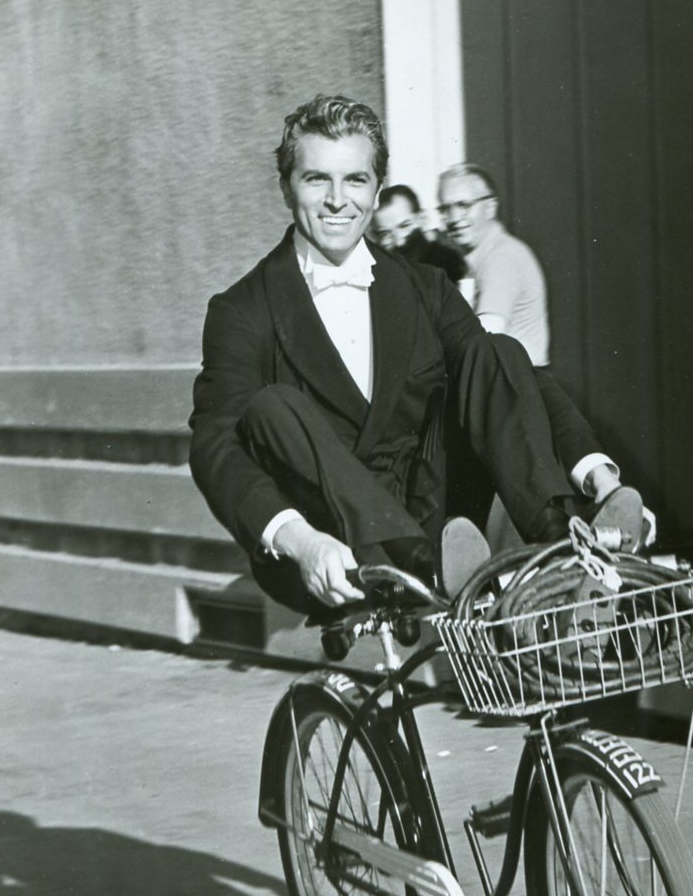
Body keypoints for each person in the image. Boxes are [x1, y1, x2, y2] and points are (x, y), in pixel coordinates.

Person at [189, 95, 643, 614]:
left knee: (495, 349)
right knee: (273, 406)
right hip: (333, 539)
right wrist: (301, 541)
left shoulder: (426, 286)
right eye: (316, 179)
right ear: (286, 187)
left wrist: (599, 477)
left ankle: (562, 550)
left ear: (376, 188)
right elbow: (215, 446)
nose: (337, 200)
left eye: (355, 180)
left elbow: (517, 379)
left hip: (444, 526)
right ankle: (429, 570)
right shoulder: (242, 310)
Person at [437, 163, 549, 366]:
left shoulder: (501, 257)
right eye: (445, 208)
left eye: (464, 205)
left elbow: (484, 342)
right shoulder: (476, 258)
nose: (454, 218)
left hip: (515, 381)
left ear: (490, 207)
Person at [372, 184, 466, 285]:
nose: (399, 242)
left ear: (423, 219)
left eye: (405, 226)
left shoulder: (449, 263)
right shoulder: (375, 273)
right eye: (385, 234)